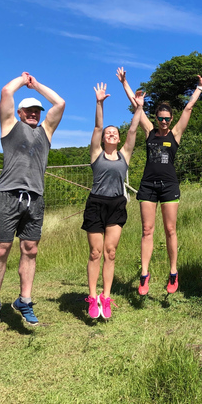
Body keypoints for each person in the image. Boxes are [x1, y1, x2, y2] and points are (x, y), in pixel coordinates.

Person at [117, 67, 202, 296]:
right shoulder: (149, 131)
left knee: (170, 230)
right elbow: (137, 104)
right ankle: (145, 275)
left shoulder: (175, 134)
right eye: (161, 118)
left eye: (167, 118)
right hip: (148, 185)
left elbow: (188, 107)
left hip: (169, 186)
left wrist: (199, 88)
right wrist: (124, 83)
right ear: (156, 118)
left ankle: (173, 272)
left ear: (171, 119)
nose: (164, 121)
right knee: (147, 230)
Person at [0, 72, 65, 329]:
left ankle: (24, 301)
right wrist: (22, 79)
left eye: (36, 110)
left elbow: (60, 103)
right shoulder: (10, 126)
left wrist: (37, 85)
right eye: (28, 110)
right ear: (19, 112)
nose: (33, 113)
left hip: (35, 198)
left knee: (30, 249)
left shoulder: (46, 132)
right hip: (8, 195)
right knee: (1, 250)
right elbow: (6, 92)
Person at [82, 83, 140, 319]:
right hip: (96, 204)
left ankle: (106, 297)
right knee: (95, 252)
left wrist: (138, 109)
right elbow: (97, 126)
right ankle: (93, 297)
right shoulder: (96, 154)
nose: (111, 134)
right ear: (104, 138)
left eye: (115, 132)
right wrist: (99, 102)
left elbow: (134, 132)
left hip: (117, 204)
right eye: (109, 133)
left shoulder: (125, 155)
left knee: (110, 252)